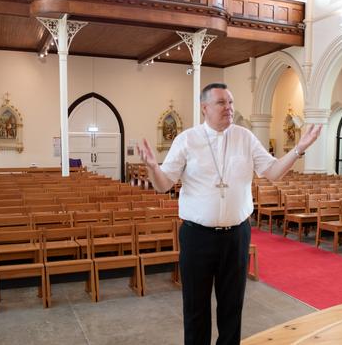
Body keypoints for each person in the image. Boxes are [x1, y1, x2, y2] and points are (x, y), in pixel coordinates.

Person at [137, 83, 322, 345]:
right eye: (222, 103)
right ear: (205, 108)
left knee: (232, 307)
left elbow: (272, 172)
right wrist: (153, 167)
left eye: (231, 102)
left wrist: (298, 149)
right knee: (196, 307)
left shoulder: (245, 138)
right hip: (197, 236)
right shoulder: (187, 140)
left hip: (236, 235)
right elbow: (163, 184)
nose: (229, 108)